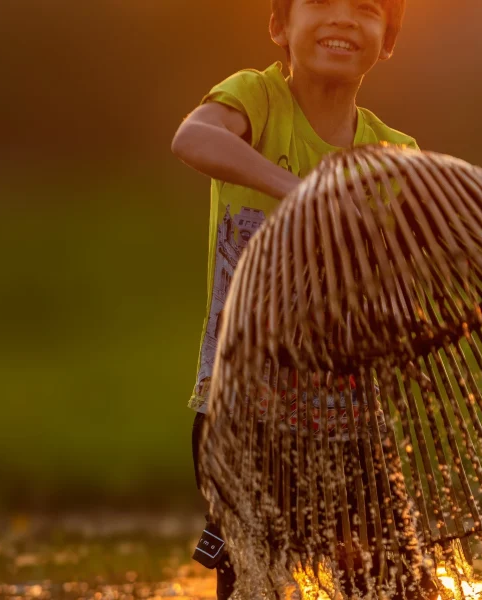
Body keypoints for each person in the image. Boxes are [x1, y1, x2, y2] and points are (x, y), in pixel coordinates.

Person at [171, 0, 429, 597]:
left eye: (365, 9)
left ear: (386, 41)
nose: (341, 19)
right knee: (255, 585)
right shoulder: (257, 101)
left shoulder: (395, 155)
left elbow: (409, 273)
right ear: (279, 26)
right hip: (242, 416)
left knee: (390, 586)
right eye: (320, 3)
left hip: (354, 427)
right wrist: (303, 192)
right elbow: (193, 138)